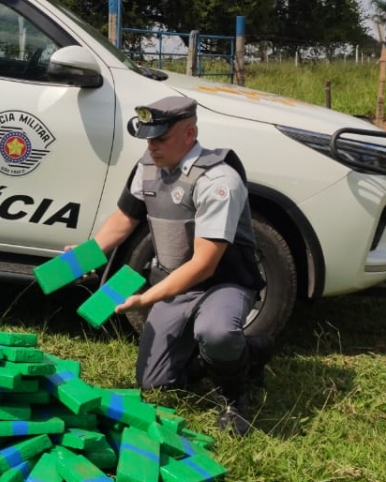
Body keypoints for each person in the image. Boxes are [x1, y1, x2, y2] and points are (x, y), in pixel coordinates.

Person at [87, 95, 265, 435]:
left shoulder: (219, 180)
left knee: (217, 332)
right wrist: (84, 255)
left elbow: (203, 265)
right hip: (174, 281)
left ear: (189, 133)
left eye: (160, 138)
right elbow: (124, 219)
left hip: (222, 283)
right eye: (148, 137)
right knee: (155, 385)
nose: (151, 146)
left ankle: (235, 394)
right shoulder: (148, 167)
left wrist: (145, 299)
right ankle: (232, 355)